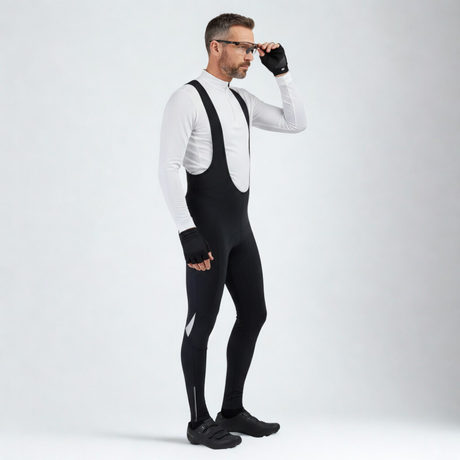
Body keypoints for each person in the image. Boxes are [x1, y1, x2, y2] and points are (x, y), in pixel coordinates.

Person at [158, 13, 306, 449]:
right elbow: (167, 167)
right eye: (243, 47)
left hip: (240, 228)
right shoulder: (186, 98)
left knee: (254, 313)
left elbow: (295, 122)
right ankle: (198, 421)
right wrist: (187, 232)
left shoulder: (242, 100)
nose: (250, 56)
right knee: (201, 322)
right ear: (216, 46)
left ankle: (231, 410)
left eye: (252, 48)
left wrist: (282, 74)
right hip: (206, 231)